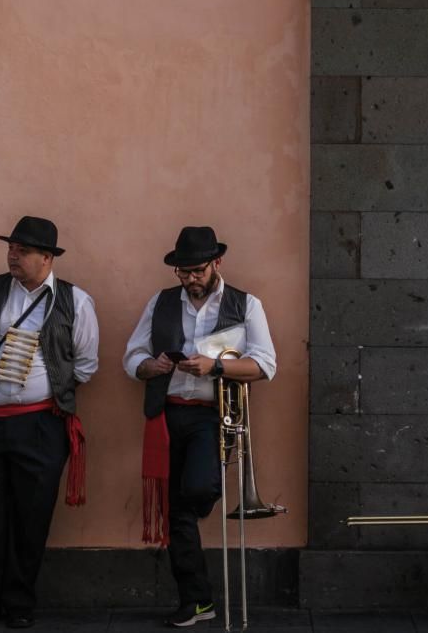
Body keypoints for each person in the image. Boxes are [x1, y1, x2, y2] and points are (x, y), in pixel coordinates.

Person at [0, 217, 99, 631]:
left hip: (42, 426)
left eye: (23, 250)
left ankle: (19, 601)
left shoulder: (76, 302)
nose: (12, 255)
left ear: (47, 258)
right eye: (11, 247)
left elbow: (84, 365)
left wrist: (37, 391)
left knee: (31, 516)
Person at [123, 226, 277, 628]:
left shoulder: (246, 304)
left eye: (197, 271)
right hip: (168, 414)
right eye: (183, 272)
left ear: (216, 264)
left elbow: (265, 364)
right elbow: (132, 354)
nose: (190, 279)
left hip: (213, 415)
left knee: (197, 490)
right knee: (177, 512)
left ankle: (193, 513)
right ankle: (197, 601)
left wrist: (216, 367)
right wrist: (149, 365)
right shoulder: (160, 303)